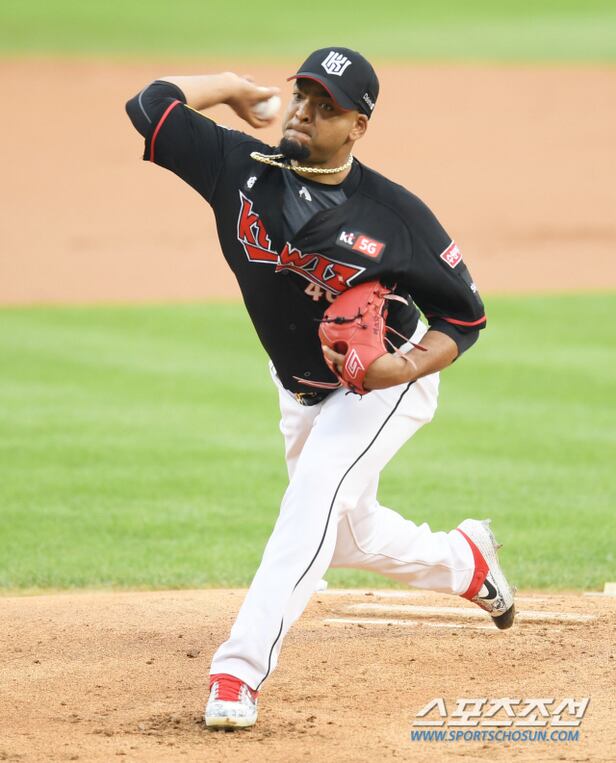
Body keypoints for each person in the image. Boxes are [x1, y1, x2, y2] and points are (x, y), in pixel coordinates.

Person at [125, 47, 515, 731]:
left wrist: (402, 369)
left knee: (311, 497)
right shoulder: (238, 168)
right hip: (299, 386)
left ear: (357, 126)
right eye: (302, 96)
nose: (304, 112)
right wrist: (232, 88)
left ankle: (238, 671)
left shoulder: (395, 216)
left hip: (382, 380)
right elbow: (150, 105)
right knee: (346, 533)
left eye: (325, 106)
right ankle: (465, 560)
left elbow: (465, 317)